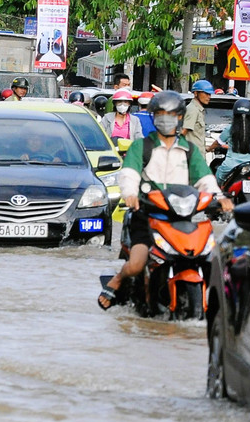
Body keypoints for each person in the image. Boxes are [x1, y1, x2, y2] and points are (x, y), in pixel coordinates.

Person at [98, 91, 232, 309]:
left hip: (182, 217)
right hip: (146, 215)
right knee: (136, 263)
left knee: (210, 258)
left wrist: (219, 197)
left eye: (171, 114)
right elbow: (129, 173)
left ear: (180, 117)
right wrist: (130, 194)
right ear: (153, 116)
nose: (165, 118)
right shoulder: (142, 146)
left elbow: (205, 179)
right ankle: (118, 280)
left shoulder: (188, 150)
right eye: (160, 113)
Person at [212, 98, 250, 183]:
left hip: (231, 166)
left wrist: (209, 149)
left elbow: (218, 142)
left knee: (216, 181)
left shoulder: (230, 128)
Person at [183, 79, 214, 151]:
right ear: (196, 93)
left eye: (209, 94)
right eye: (206, 94)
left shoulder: (199, 110)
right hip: (192, 157)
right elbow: (183, 132)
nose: (209, 97)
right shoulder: (192, 109)